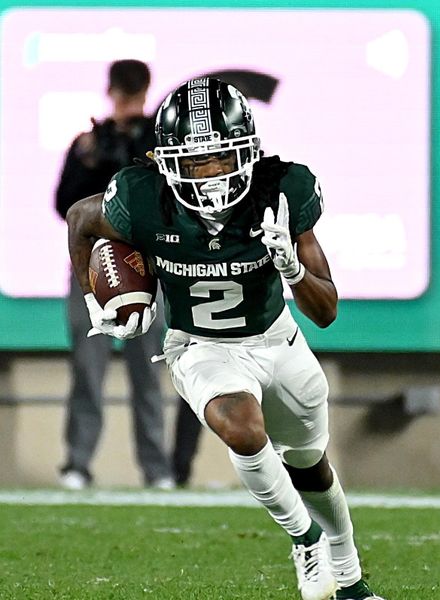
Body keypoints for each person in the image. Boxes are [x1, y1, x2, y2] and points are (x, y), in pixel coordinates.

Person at [65, 77, 383, 600]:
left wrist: (294, 272)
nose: (209, 175)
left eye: (219, 158)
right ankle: (305, 540)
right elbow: (80, 218)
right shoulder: (143, 198)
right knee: (241, 427)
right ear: (168, 164)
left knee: (309, 463)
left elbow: (325, 313)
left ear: (248, 152)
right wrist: (96, 297)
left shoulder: (281, 191)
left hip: (277, 340)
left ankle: (349, 575)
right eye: (194, 163)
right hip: (200, 345)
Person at [55, 59, 174, 491]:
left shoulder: (158, 141)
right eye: (124, 96)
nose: (128, 105)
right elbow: (64, 206)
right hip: (93, 267)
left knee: (149, 369)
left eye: (135, 96)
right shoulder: (89, 140)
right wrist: (91, 161)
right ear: (111, 94)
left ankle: (156, 467)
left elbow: (166, 197)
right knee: (87, 370)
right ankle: (77, 463)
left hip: (147, 266)